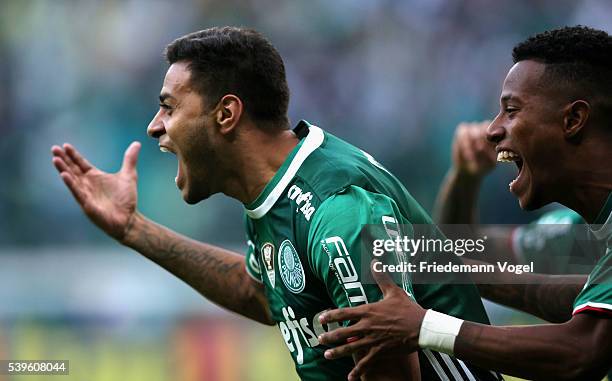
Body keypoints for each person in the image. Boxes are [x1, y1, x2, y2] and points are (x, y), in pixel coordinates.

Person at [51, 27, 500, 380]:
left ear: (226, 114)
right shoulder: (275, 190)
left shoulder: (335, 210)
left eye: (169, 107)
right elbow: (264, 294)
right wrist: (134, 230)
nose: (155, 127)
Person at [317, 25, 612, 381]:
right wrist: (437, 250)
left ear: (573, 120)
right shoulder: (587, 233)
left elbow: (583, 349)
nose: (493, 129)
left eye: (512, 110)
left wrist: (425, 325)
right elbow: (563, 295)